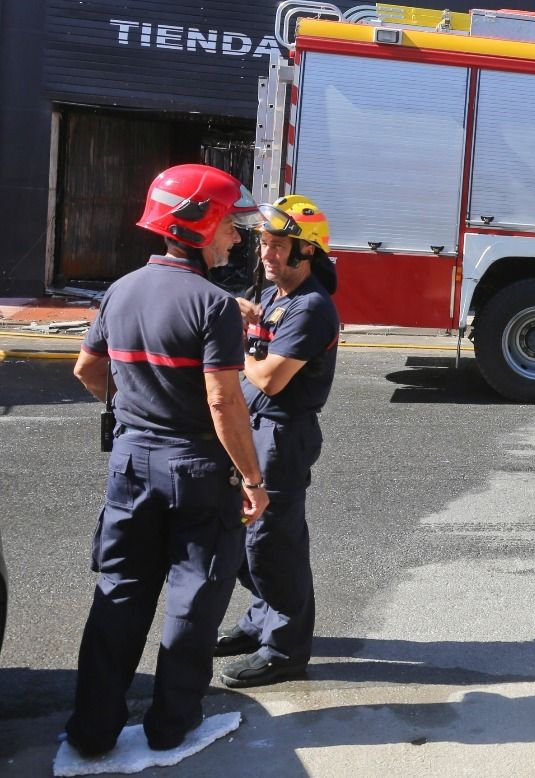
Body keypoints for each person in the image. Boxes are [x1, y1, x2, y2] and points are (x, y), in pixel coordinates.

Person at [65, 165, 268, 756]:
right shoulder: (215, 307)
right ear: (200, 224)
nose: (236, 236)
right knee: (192, 599)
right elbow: (223, 400)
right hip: (197, 472)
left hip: (130, 464)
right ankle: (169, 725)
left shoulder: (120, 290)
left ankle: (91, 731)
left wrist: (133, 407)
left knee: (120, 593)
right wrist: (253, 479)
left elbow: (87, 369)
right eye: (230, 224)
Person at [215, 195, 340, 689]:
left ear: (306, 253)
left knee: (272, 544)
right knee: (246, 539)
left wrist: (233, 334)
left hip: (281, 436)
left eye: (277, 245)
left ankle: (285, 648)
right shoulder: (272, 296)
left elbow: (269, 379)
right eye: (264, 243)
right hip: (253, 431)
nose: (265, 253)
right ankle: (259, 620)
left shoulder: (311, 309)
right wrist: (244, 318)